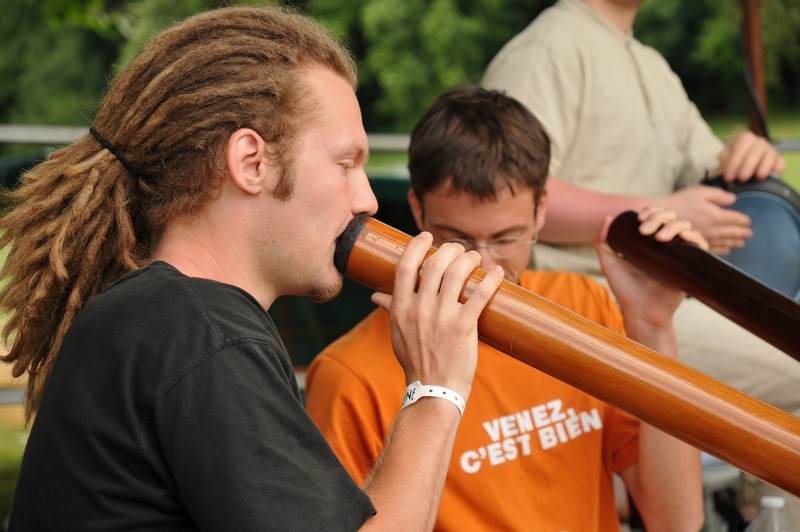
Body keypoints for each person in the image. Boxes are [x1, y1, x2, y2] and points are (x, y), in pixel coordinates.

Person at [0, 7, 505, 531]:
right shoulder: (200, 331)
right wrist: (435, 389)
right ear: (251, 162)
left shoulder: (163, 316)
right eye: (346, 164)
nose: (368, 199)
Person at [306, 86, 705, 531]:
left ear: (540, 212)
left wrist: (653, 330)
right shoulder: (349, 375)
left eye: (506, 237)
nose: (483, 266)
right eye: (457, 238)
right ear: (417, 209)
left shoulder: (584, 308)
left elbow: (677, 521)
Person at [482, 0, 800, 415]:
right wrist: (663, 210)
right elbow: (506, 197)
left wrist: (743, 152)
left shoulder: (652, 64)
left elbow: (710, 172)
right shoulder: (545, 51)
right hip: (592, 306)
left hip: (668, 291)